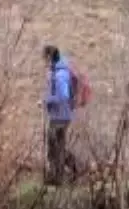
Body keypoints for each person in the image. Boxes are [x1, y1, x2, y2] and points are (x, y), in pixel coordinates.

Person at [42, 44, 79, 186]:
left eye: (45, 57)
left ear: (50, 57)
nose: (44, 61)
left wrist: (47, 100)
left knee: (54, 146)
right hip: (60, 115)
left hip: (60, 116)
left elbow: (63, 95)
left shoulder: (60, 74)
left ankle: (59, 176)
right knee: (57, 145)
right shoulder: (58, 71)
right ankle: (66, 172)